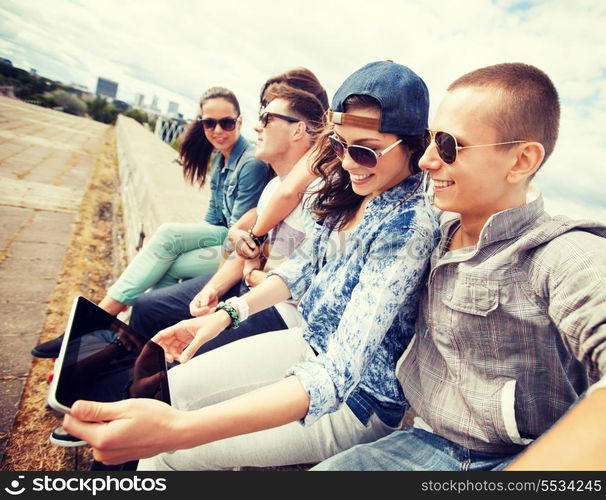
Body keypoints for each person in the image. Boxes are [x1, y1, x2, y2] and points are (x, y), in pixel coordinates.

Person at [62, 61, 439, 469]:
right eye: (339, 145)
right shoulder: (353, 187)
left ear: (413, 146)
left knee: (164, 454)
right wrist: (224, 315)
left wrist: (178, 432)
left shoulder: (408, 229)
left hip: (355, 399)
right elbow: (300, 268)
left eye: (364, 150)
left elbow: (338, 372)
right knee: (167, 389)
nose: (348, 163)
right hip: (306, 344)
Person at [311, 62, 606, 471]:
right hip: (425, 442)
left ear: (521, 161)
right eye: (430, 139)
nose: (428, 160)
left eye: (449, 145)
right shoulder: (433, 227)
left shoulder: (558, 254)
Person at [127, 82, 325, 354]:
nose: (257, 127)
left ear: (298, 129)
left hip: (277, 309)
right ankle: (125, 367)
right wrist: (212, 289)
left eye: (267, 119)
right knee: (147, 308)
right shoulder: (273, 188)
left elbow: (291, 281)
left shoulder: (316, 197)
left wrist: (250, 273)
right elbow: (244, 251)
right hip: (248, 290)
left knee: (187, 351)